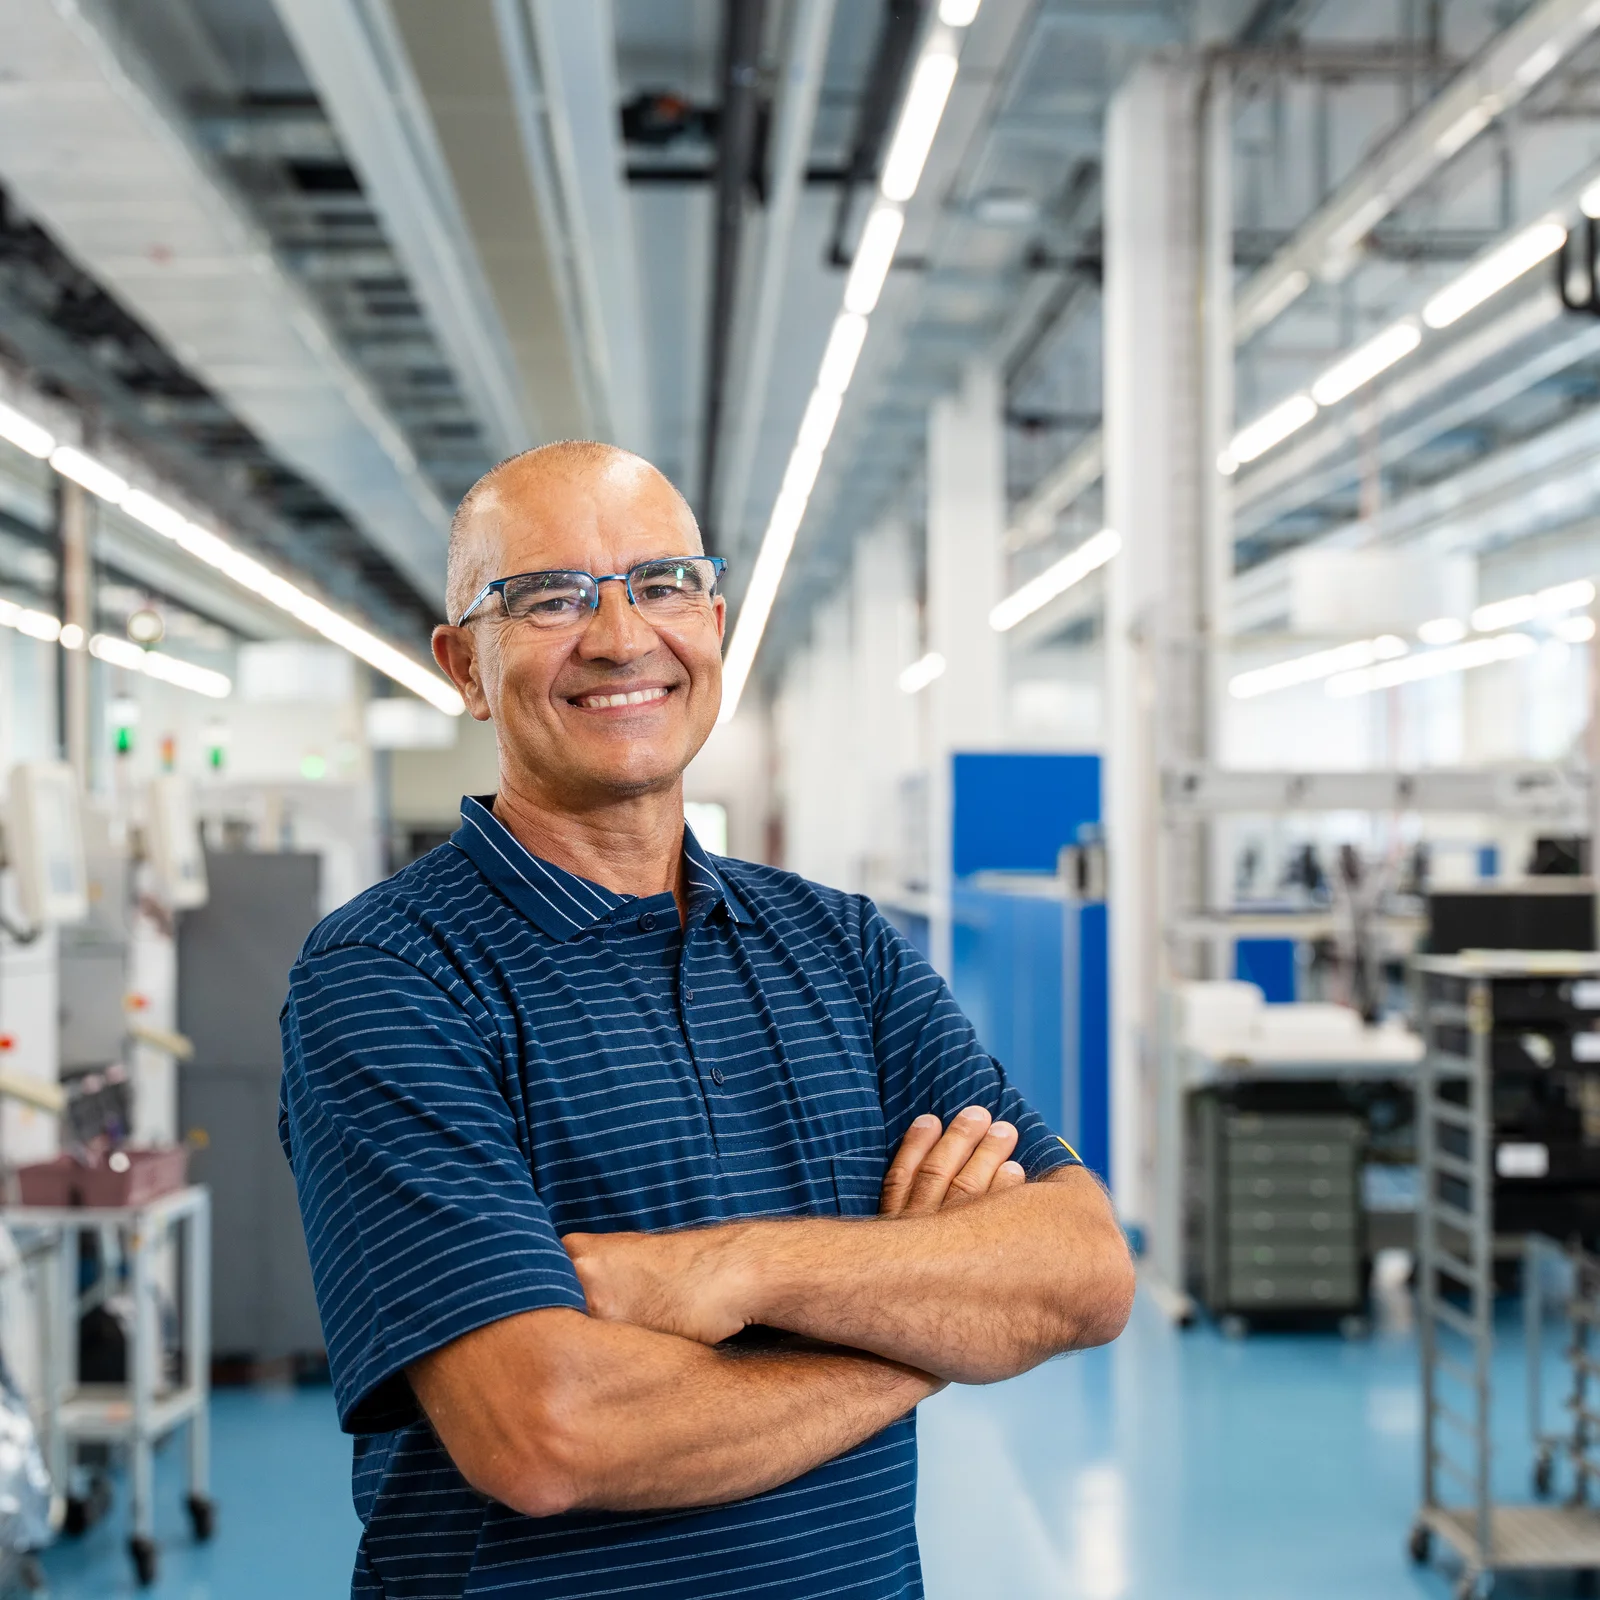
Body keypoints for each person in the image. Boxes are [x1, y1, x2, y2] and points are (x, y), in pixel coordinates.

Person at [278, 441, 1135, 1600]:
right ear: (464, 668)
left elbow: (1082, 1269)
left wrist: (731, 1270)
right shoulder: (389, 975)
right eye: (549, 597)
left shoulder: (845, 948)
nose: (622, 636)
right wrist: (930, 1323)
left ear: (715, 620)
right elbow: (546, 1433)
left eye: (663, 582)